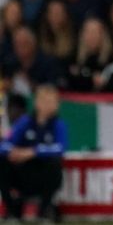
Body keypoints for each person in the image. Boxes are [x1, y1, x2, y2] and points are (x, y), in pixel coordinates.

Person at [0, 85, 67, 222]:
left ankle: (43, 213)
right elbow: (5, 144)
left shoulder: (58, 125)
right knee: (2, 161)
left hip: (43, 174)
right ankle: (12, 213)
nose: (48, 105)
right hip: (22, 173)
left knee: (54, 164)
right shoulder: (25, 122)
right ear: (37, 103)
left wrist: (34, 152)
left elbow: (61, 148)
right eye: (45, 101)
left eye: (52, 102)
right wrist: (14, 152)